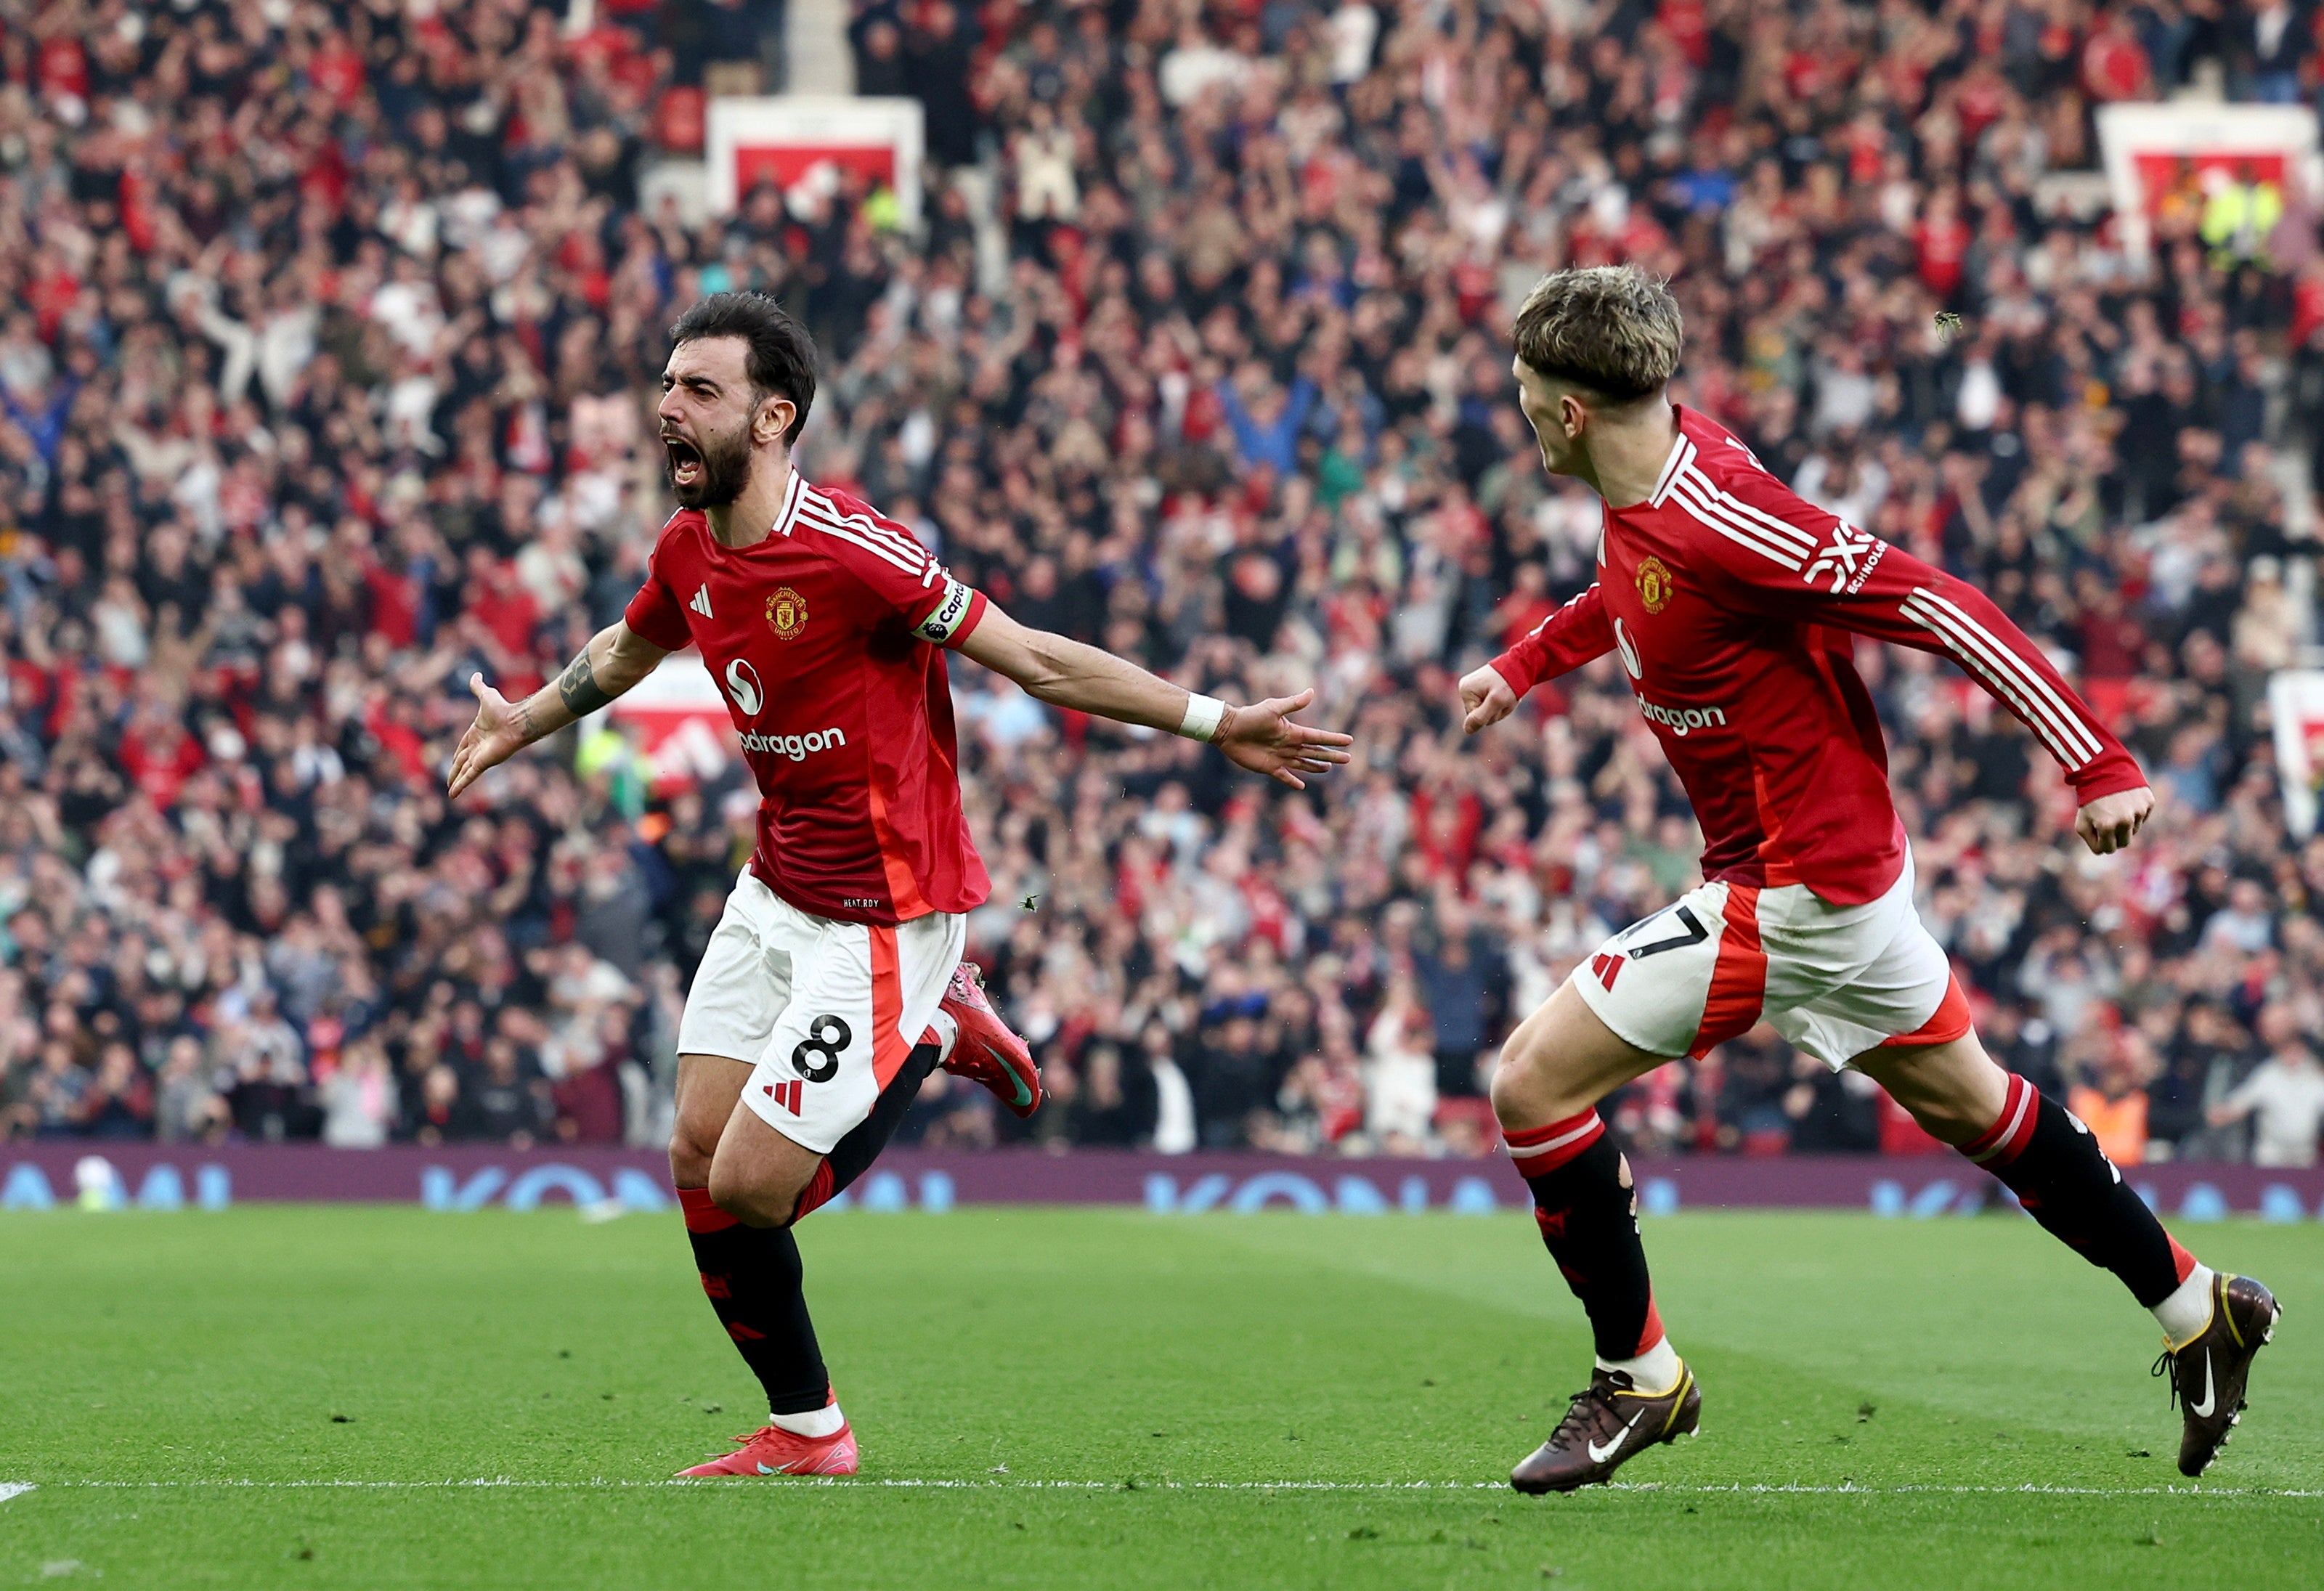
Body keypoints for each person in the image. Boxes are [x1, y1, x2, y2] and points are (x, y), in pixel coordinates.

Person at [447, 293, 1350, 1479]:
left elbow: (1030, 656)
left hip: (891, 911)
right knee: (693, 1162)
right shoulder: (687, 549)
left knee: (752, 1188)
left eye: (698, 391)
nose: (667, 408)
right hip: (774, 891)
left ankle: (930, 1031)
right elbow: (632, 644)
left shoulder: (855, 549)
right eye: (666, 385)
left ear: (774, 418)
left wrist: (1216, 719)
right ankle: (810, 1432)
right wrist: (527, 717)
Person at [1458, 266, 2277, 1494]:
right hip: (1842, 885)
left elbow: (1934, 603)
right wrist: (1528, 663)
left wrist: (2094, 757)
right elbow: (1632, 587)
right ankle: (2197, 1307)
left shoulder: (1726, 512)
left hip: (1791, 895)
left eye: (1525, 391)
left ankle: (1641, 1378)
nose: (1518, 409)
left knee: (1530, 1086)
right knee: (1981, 1111)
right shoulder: (1652, 474)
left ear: (1569, 412)